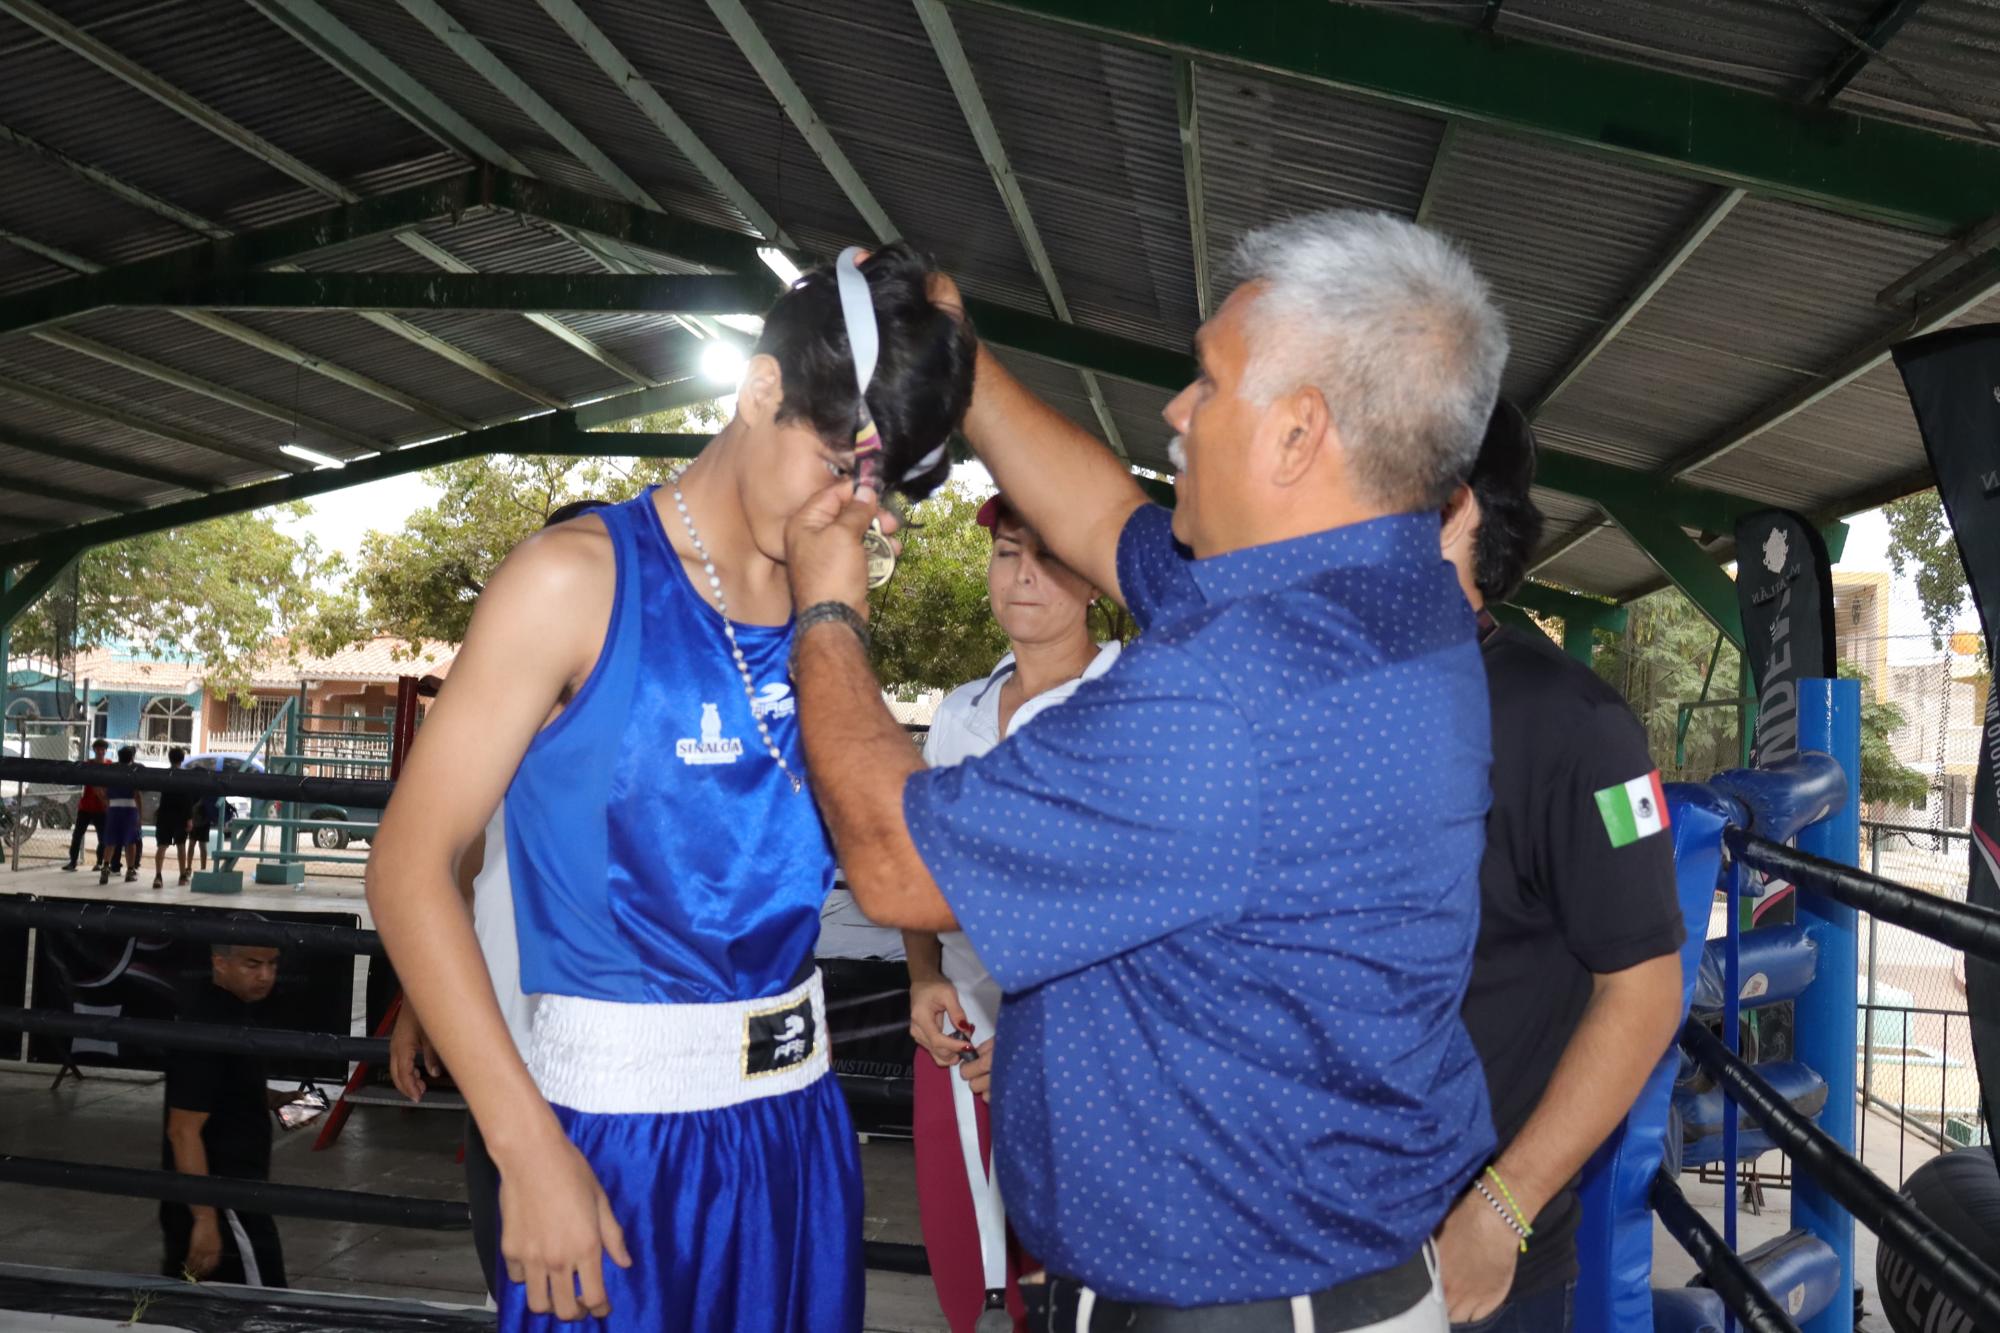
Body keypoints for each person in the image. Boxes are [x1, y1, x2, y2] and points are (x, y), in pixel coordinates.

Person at [786, 210, 1507, 1331]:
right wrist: (958, 361)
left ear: (1295, 435)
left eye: (1207, 384)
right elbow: (1104, 515)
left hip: (1232, 1303)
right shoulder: (1383, 598)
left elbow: (891, 859)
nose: (1174, 411)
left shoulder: (1235, 691)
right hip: (1324, 1275)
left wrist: (826, 606)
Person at [366, 244, 973, 1331]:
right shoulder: (573, 579)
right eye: (840, 467)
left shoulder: (824, 605)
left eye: (880, 496)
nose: (853, 513)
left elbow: (892, 851)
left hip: (795, 1126)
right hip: (614, 1141)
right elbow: (408, 864)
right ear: (759, 390)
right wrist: (525, 1147)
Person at [1431, 402, 1686, 1331]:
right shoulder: (1327, 701)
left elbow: (1647, 990)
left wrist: (1500, 1214)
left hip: (1477, 1271)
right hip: (1308, 1247)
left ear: (1453, 509)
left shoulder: (1577, 729)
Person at [905, 493, 1120, 1333]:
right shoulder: (957, 711)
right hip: (956, 1045)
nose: (1024, 573)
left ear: (1097, 582)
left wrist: (1040, 1043)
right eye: (1005, 553)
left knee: (1082, 1299)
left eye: (1050, 554)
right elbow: (911, 870)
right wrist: (923, 978)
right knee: (974, 1293)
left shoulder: (1130, 708)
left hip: (1086, 1067)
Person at [388, 499, 609, 1305]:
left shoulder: (646, 723)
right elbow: (447, 861)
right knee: (511, 1282)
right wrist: (420, 998)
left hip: (610, 1066)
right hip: (500, 1049)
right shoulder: (495, 709)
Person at [161, 935, 286, 1288]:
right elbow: (182, 1129)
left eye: (272, 964)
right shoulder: (209, 1025)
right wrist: (205, 1218)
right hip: (223, 1199)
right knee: (262, 1311)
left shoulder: (229, 1010)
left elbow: (218, 1087)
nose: (265, 976)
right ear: (220, 963)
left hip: (231, 1196)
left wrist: (270, 1097)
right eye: (253, 964)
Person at [62, 736, 111, 872]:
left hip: (101, 808)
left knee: (102, 837)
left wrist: (105, 800)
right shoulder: (88, 765)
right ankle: (73, 862)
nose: (100, 751)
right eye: (98, 749)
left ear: (106, 751)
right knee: (77, 834)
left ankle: (99, 862)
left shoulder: (110, 766)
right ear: (94, 750)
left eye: (103, 749)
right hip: (86, 806)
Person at [98, 744, 143, 885]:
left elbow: (101, 788)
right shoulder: (134, 771)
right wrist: (140, 814)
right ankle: (130, 870)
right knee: (130, 842)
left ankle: (105, 868)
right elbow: (137, 794)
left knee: (110, 841)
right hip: (129, 808)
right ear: (132, 757)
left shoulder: (111, 769)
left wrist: (106, 801)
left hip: (114, 807)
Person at [153, 746, 195, 888]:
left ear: (169, 758)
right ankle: (182, 876)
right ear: (182, 759)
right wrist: (189, 818)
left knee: (162, 846)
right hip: (181, 815)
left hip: (165, 814)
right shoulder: (185, 777)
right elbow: (188, 798)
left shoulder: (164, 775)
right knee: (181, 846)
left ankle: (158, 876)